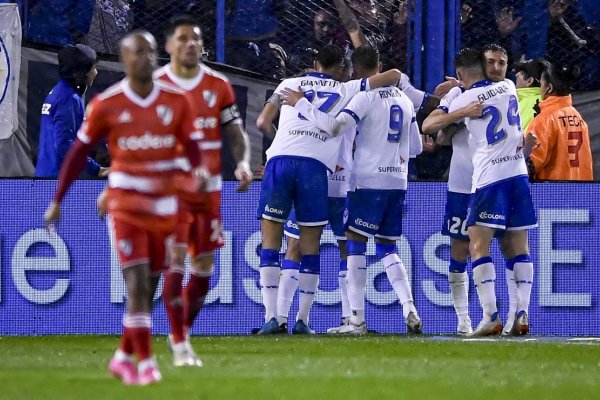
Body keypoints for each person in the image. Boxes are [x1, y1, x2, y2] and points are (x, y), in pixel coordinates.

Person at [44, 31, 207, 385]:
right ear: (124, 58)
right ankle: (147, 364)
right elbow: (73, 155)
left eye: (149, 52)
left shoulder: (176, 103)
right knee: (137, 283)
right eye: (136, 53)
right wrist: (58, 199)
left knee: (149, 287)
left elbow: (193, 154)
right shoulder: (106, 104)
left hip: (163, 206)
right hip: (126, 206)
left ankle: (122, 356)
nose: (144, 59)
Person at [254, 44, 401, 334]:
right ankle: (304, 321)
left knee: (274, 244)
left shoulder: (289, 83)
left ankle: (272, 318)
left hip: (281, 162)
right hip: (321, 171)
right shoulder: (347, 89)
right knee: (317, 247)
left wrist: (279, 145)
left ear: (314, 62)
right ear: (343, 68)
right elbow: (393, 75)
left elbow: (261, 121)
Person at [154, 15, 252, 365]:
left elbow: (235, 132)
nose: (191, 44)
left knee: (204, 269)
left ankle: (180, 330)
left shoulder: (218, 85)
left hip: (208, 192)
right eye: (183, 39)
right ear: (169, 46)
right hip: (171, 190)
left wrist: (241, 163)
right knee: (175, 259)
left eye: (195, 39)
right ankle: (181, 345)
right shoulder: (155, 86)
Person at [423, 44, 536, 336]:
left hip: (488, 179)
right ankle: (519, 313)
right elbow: (443, 138)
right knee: (516, 248)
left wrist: (461, 108)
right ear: (482, 66)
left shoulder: (467, 96)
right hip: (514, 176)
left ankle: (491, 316)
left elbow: (429, 126)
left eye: (501, 63)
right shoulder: (509, 87)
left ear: (461, 74)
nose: (497, 68)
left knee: (478, 246)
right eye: (491, 63)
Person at [35, 44, 108, 178]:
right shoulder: (69, 99)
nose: (96, 73)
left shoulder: (58, 92)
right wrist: (96, 169)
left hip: (46, 175)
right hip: (57, 180)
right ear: (80, 73)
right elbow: (64, 145)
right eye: (93, 68)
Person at [526, 64, 593, 181]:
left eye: (541, 84)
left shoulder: (544, 120)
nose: (540, 88)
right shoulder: (579, 118)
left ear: (549, 88)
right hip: (582, 192)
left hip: (553, 192)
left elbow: (530, 164)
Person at [514, 58, 546, 132]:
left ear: (529, 81)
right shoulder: (548, 100)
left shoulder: (523, 105)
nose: (516, 75)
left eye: (521, 73)